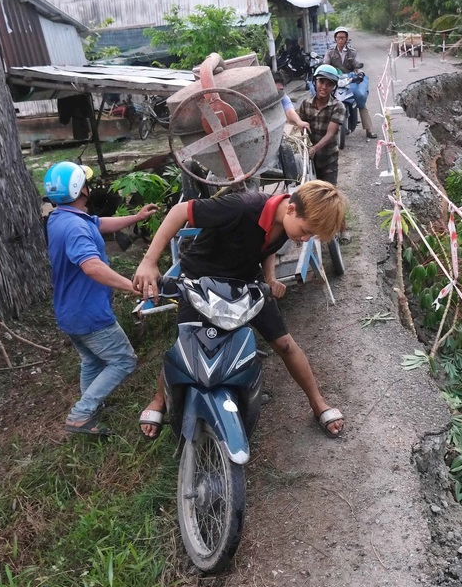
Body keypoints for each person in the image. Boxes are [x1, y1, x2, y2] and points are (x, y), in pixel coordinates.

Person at [133, 180, 348, 439]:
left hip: (246, 283)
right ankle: (159, 400)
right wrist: (148, 262)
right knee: (186, 344)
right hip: (201, 280)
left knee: (285, 344)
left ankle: (318, 403)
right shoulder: (240, 207)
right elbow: (179, 212)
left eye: (310, 236)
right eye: (305, 231)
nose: (304, 239)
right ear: (291, 209)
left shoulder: (285, 222)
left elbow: (268, 245)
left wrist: (269, 279)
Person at [44, 161, 159, 436]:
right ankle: (81, 415)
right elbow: (92, 266)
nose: (89, 186)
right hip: (89, 313)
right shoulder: (75, 228)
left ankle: (90, 408)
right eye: (85, 182)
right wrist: (132, 287)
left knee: (93, 361)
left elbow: (100, 224)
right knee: (124, 360)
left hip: (69, 311)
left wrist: (136, 217)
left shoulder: (62, 218)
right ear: (79, 189)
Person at [298, 64, 350, 242]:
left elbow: (330, 134)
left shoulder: (338, 106)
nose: (323, 87)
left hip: (328, 157)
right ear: (315, 82)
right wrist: (305, 144)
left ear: (333, 87)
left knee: (331, 193)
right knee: (312, 195)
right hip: (309, 159)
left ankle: (343, 230)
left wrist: (314, 148)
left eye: (329, 84)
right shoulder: (305, 104)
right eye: (321, 82)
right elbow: (302, 128)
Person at [322, 26, 375, 139]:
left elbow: (357, 64)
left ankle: (369, 130)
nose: (340, 40)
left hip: (350, 80)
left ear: (346, 39)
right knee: (323, 100)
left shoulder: (352, 52)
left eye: (343, 37)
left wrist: (359, 73)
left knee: (360, 99)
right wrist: (324, 71)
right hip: (335, 80)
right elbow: (325, 65)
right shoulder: (330, 52)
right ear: (335, 38)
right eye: (338, 37)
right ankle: (322, 130)